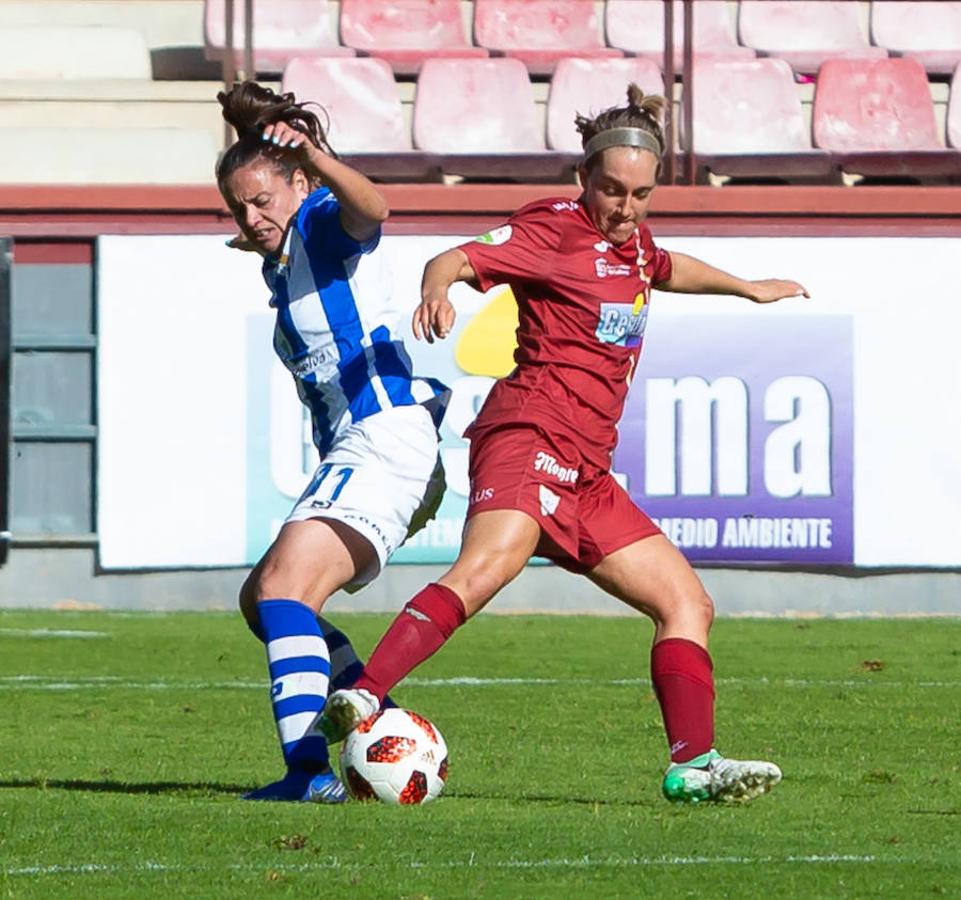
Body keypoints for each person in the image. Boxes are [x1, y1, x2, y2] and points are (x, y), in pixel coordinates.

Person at [320, 84, 809, 804]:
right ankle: (364, 697)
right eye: (612, 191)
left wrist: (746, 288)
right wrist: (438, 290)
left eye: (640, 194)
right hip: (530, 434)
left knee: (686, 604)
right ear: (584, 179)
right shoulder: (552, 229)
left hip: (587, 471)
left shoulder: (635, 243)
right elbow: (454, 258)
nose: (625, 207)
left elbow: (666, 266)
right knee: (487, 568)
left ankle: (692, 765)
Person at [215, 81, 449, 803]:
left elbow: (372, 209)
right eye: (238, 207)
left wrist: (315, 155)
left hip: (384, 438)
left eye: (263, 200)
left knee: (285, 586)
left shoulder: (320, 220)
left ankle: (308, 773)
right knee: (267, 600)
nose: (252, 218)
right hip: (370, 447)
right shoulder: (281, 254)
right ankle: (377, 721)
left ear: (301, 183)